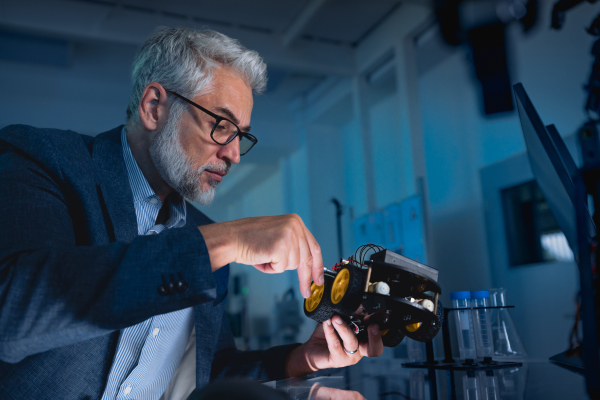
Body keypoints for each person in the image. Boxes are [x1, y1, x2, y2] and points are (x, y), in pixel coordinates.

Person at [0, 27, 382, 400]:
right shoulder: (43, 159)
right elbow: (13, 311)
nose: (233, 154)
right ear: (154, 107)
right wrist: (228, 240)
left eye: (241, 135)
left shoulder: (206, 236)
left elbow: (206, 372)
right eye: (221, 125)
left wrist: (300, 360)